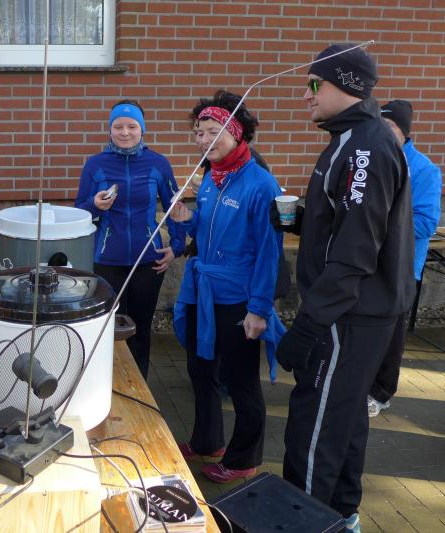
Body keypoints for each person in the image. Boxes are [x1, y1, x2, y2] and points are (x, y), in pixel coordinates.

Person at [273, 44, 414, 532]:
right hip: (355, 312)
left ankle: (302, 522)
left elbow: (355, 254)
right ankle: (343, 516)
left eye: (314, 84)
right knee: (346, 418)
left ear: (346, 84)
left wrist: (307, 327)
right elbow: (349, 225)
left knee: (314, 428)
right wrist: (300, 222)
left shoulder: (365, 148)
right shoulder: (349, 139)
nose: (306, 95)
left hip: (348, 316)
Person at [169, 90, 285, 484]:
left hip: (239, 298)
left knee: (241, 381)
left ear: (235, 132)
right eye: (198, 133)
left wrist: (259, 309)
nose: (203, 140)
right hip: (203, 291)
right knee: (201, 370)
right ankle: (207, 441)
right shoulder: (210, 177)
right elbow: (206, 229)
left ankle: (243, 458)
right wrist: (186, 219)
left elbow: (269, 252)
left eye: (212, 132)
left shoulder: (261, 184)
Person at [74, 100, 185, 379]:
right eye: (118, 126)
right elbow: (79, 212)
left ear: (142, 129)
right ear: (109, 130)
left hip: (147, 262)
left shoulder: (158, 163)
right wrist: (95, 205)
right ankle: (107, 384)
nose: (125, 132)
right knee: (106, 329)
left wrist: (177, 246)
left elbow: (174, 208)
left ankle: (139, 386)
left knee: (140, 331)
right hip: (106, 261)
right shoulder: (95, 165)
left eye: (132, 126)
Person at [365, 100, 442, 417]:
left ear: (404, 132)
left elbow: (426, 223)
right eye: (378, 125)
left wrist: (378, 221)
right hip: (366, 261)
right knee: (366, 329)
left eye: (389, 127)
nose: (381, 132)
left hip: (400, 267)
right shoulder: (369, 159)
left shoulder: (424, 169)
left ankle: (381, 393)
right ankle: (359, 384)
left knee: (391, 333)